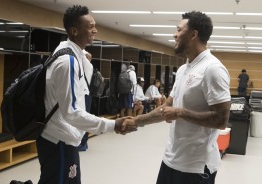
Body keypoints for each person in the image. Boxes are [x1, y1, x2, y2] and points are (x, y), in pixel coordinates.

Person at [123, 11, 231, 184]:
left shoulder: (212, 69)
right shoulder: (183, 69)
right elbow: (165, 108)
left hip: (195, 167)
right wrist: (136, 121)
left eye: (179, 30)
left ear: (193, 34)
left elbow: (221, 120)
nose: (174, 34)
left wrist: (180, 113)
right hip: (171, 160)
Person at [36, 5, 136, 184]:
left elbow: (85, 88)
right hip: (58, 140)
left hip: (64, 138)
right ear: (74, 31)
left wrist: (84, 58)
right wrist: (112, 125)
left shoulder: (71, 53)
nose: (95, 30)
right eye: (90, 27)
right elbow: (72, 112)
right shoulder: (67, 62)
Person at [78, 50, 92, 152]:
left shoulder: (87, 66)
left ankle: (82, 143)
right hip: (86, 95)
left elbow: (83, 54)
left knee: (83, 119)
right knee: (84, 118)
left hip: (85, 96)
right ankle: (83, 142)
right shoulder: (88, 67)